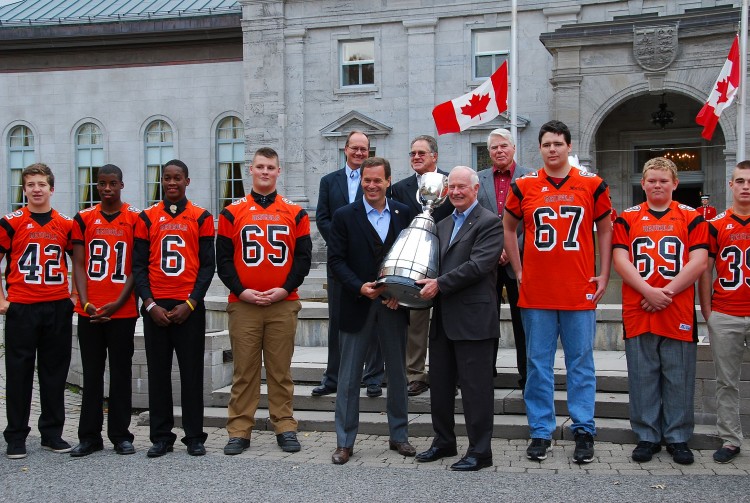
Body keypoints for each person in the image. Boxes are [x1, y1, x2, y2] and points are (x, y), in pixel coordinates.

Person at [503, 120, 612, 464]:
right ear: (540, 148)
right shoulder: (524, 186)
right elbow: (508, 227)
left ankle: (584, 429)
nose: (552, 149)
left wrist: (604, 273)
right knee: (538, 365)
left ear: (568, 146)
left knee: (581, 363)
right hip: (537, 291)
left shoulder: (591, 184)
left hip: (578, 288)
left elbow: (606, 229)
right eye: (547, 144)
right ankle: (540, 430)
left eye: (558, 144)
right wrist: (518, 270)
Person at [216, 148, 312, 456]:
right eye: (260, 167)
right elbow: (223, 260)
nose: (265, 172)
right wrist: (241, 290)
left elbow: (303, 258)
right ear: (251, 170)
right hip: (244, 303)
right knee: (244, 370)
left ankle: (284, 425)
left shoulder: (295, 212)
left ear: (278, 171)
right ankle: (239, 429)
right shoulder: (232, 212)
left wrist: (284, 289)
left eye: (271, 167)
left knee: (280, 369)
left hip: (282, 303)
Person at [613, 157, 708, 465]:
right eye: (651, 180)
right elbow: (620, 260)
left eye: (663, 180)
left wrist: (664, 292)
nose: (657, 185)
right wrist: (647, 291)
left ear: (675, 184)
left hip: (676, 308)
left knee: (679, 376)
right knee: (642, 376)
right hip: (639, 308)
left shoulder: (691, 217)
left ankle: (678, 437)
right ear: (643, 183)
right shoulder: (627, 218)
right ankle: (647, 435)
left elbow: (699, 262)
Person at [415, 166, 503, 471]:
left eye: (461, 187)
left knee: (476, 390)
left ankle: (481, 451)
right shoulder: (440, 225)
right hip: (443, 320)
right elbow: (431, 267)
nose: (455, 192)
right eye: (451, 186)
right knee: (439, 387)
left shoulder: (490, 223)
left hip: (475, 321)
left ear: (475, 189)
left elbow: (478, 266)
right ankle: (444, 442)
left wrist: (439, 284)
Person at [327, 156, 414, 465]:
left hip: (392, 307)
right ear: (360, 181)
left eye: (378, 180)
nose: (372, 185)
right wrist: (359, 287)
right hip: (356, 305)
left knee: (397, 375)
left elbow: (412, 257)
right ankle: (345, 442)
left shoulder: (406, 214)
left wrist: (399, 295)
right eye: (367, 180)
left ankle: (399, 436)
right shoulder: (343, 216)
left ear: (388, 181)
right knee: (349, 378)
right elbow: (336, 261)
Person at [132, 159, 215, 458]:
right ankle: (161, 436)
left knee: (192, 373)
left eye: (177, 178)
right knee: (158, 373)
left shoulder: (201, 217)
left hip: (188, 306)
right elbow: (138, 266)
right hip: (157, 306)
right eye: (167, 178)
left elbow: (208, 266)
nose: (171, 183)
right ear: (162, 181)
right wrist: (149, 303)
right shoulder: (146, 218)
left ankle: (194, 435)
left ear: (186, 181)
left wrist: (191, 303)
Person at [0, 163, 75, 459]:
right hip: (23, 305)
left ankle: (52, 433)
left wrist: (74, 295)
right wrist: (2, 298)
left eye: (41, 184)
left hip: (56, 304)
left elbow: (78, 262)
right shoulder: (11, 222)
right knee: (18, 372)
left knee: (54, 371)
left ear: (51, 189)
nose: (36, 189)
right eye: (31, 184)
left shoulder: (65, 224)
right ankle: (16, 436)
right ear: (24, 189)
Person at [70, 164, 140, 457]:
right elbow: (78, 263)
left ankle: (121, 435)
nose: (107, 188)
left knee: (121, 373)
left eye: (112, 183)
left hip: (121, 310)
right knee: (92, 374)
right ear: (96, 186)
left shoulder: (135, 219)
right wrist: (85, 302)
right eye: (102, 183)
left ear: (122, 185)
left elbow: (137, 267)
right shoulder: (84, 218)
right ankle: (89, 436)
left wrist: (119, 302)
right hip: (90, 310)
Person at [313, 131, 384, 398]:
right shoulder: (329, 182)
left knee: (374, 319)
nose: (359, 153)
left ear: (369, 151)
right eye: (354, 148)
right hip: (340, 264)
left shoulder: (376, 181)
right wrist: (345, 245)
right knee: (338, 321)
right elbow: (323, 218)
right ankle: (333, 377)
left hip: (371, 264)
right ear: (345, 149)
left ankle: (374, 378)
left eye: (364, 149)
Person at [390, 134, 453, 396]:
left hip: (448, 258)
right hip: (414, 262)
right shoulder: (400, 188)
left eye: (421, 153)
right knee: (416, 319)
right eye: (412, 153)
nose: (416, 157)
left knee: (450, 319)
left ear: (434, 156)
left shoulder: (452, 183)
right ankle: (415, 373)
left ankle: (449, 374)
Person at [699, 161, 750, 464]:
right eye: (740, 180)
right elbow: (705, 272)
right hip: (726, 312)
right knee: (727, 381)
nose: (746, 186)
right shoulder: (716, 225)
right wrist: (708, 311)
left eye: (749, 181)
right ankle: (731, 439)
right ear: (730, 185)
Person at [477, 128, 533, 388]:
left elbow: (533, 223)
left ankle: (526, 375)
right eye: (494, 148)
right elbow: (474, 220)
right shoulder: (478, 180)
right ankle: (485, 372)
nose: (499, 151)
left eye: (503, 146)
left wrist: (510, 250)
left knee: (524, 323)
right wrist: (493, 250)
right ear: (488, 152)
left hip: (520, 262)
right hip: (487, 263)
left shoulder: (530, 179)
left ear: (513, 149)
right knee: (485, 321)